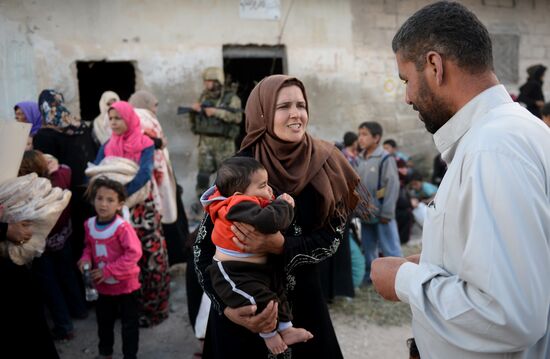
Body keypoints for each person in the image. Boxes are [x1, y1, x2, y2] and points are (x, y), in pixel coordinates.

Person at [371, 2, 550, 358]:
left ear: (435, 66)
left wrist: (403, 282)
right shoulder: (512, 132)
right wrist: (438, 260)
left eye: (407, 80)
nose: (406, 97)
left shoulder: (493, 149)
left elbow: (509, 316)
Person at [194, 75, 364, 358]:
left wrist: (280, 246)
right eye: (283, 106)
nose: (296, 114)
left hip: (302, 308)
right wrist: (229, 310)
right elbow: (203, 249)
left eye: (301, 104)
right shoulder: (240, 169)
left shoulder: (326, 164)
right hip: (242, 307)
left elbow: (332, 240)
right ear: (261, 113)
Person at [201, 156, 313, 355]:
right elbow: (270, 221)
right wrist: (284, 205)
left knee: (278, 292)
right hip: (232, 272)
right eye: (262, 185)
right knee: (261, 301)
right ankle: (270, 336)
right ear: (238, 193)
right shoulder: (238, 205)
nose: (269, 190)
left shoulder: (246, 200)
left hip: (256, 269)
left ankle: (286, 329)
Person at [94, 101, 170, 327]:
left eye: (119, 118)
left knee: (150, 259)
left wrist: (119, 194)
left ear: (129, 118)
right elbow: (96, 171)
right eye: (111, 118)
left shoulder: (145, 143)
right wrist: (110, 199)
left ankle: (154, 310)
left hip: (142, 211)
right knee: (121, 258)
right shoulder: (107, 145)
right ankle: (128, 310)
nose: (114, 122)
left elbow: (144, 174)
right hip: (117, 211)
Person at [18, 150, 87, 341]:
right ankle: (80, 309)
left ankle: (64, 326)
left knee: (50, 286)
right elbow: (67, 168)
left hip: (42, 247)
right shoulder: (61, 176)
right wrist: (54, 162)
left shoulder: (26, 194)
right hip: (64, 238)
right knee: (68, 275)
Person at [79, 178, 142, 359]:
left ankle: (130, 355)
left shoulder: (122, 228)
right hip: (103, 287)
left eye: (110, 200)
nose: (103, 204)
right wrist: (85, 260)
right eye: (99, 198)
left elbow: (134, 254)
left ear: (120, 204)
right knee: (104, 323)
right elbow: (88, 248)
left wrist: (107, 271)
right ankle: (105, 352)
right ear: (93, 200)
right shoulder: (89, 225)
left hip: (126, 286)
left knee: (129, 325)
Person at [34, 89, 98, 264]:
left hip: (67, 196)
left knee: (77, 240)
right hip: (92, 189)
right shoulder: (81, 127)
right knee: (94, 235)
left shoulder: (44, 135)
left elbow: (47, 170)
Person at [129, 89, 188, 266]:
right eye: (154, 105)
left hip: (154, 176)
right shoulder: (144, 117)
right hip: (154, 178)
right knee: (165, 214)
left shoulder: (135, 117)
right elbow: (153, 145)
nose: (155, 109)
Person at [357, 121, 402, 283]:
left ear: (376, 138)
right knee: (368, 247)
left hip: (382, 212)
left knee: (389, 246)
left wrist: (387, 212)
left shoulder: (385, 158)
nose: (360, 138)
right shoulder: (360, 159)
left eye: (364, 134)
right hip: (366, 213)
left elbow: (392, 185)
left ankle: (398, 278)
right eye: (359, 134)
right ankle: (373, 276)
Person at [190, 67, 242, 204]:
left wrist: (216, 112)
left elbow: (237, 117)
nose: (206, 84)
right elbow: (195, 121)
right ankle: (201, 204)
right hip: (206, 142)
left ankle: (229, 203)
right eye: (205, 81)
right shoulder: (203, 97)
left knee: (227, 176)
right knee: (203, 176)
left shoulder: (231, 99)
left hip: (224, 143)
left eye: (210, 81)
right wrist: (194, 111)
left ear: (218, 82)